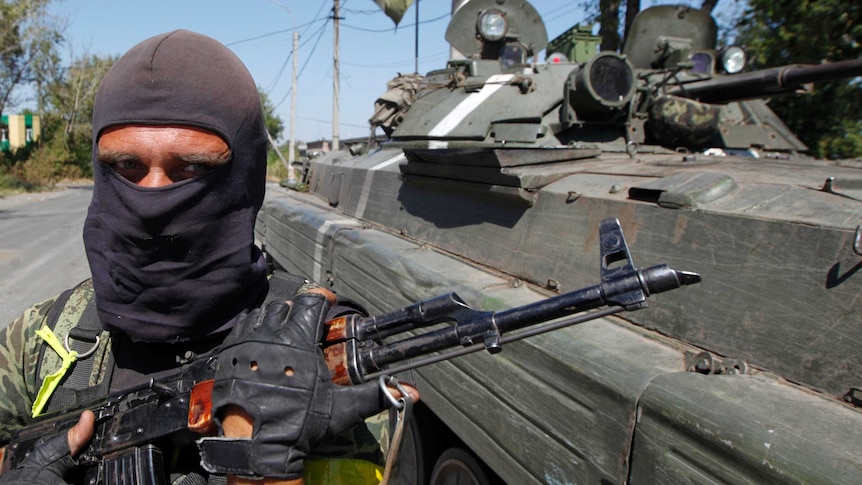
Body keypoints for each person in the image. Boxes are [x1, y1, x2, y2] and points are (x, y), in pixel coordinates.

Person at [0, 30, 416, 485]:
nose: (153, 197)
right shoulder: (39, 343)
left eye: (193, 168)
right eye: (127, 167)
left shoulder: (319, 353)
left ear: (246, 174)